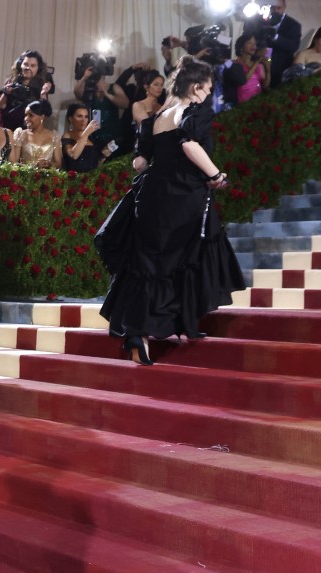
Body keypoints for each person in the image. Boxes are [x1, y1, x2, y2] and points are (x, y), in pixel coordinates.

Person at [99, 56, 245, 365]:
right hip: (183, 195)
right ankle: (180, 322)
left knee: (152, 262)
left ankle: (145, 331)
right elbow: (190, 146)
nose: (207, 95)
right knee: (187, 256)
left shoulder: (156, 118)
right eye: (207, 89)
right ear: (196, 87)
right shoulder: (194, 111)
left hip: (151, 195)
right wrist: (216, 176)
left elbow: (139, 162)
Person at [0, 50, 54, 131]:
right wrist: (6, 92)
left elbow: (44, 114)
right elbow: (0, 106)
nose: (28, 68)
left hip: (29, 130)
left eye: (33, 65)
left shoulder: (40, 87)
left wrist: (43, 94)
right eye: (26, 64)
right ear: (20, 65)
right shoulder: (11, 82)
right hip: (8, 127)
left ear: (38, 68)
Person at [9, 99, 62, 170]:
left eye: (31, 115)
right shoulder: (21, 134)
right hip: (25, 179)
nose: (26, 119)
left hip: (48, 179)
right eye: (26, 115)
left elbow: (58, 164)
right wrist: (34, 166)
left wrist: (49, 164)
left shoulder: (54, 136)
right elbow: (14, 163)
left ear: (42, 117)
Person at [223, 34, 270, 107]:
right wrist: (256, 62)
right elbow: (243, 80)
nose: (253, 46)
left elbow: (265, 85)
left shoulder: (259, 65)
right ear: (241, 46)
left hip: (257, 100)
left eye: (254, 43)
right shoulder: (234, 64)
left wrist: (268, 71)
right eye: (249, 43)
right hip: (241, 102)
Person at [262, 0, 302, 85]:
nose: (275, 10)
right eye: (273, 8)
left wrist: (276, 37)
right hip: (263, 64)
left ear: (284, 7)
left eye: (278, 8)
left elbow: (293, 46)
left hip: (281, 68)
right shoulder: (262, 21)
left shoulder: (293, 25)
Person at [61, 103, 109, 173]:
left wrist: (103, 157)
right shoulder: (67, 135)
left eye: (86, 117)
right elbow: (73, 155)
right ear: (70, 119)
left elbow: (96, 166)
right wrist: (86, 133)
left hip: (91, 179)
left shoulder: (91, 138)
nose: (83, 120)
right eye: (79, 116)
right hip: (74, 179)